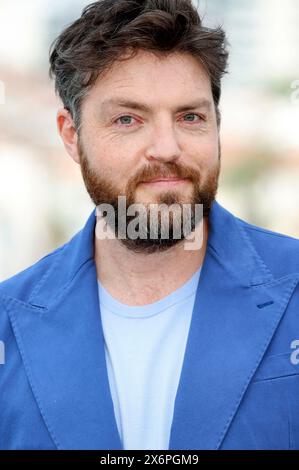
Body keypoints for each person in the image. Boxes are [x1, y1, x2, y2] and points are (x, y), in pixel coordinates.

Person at [0, 0, 298, 451]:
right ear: (71, 136)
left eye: (190, 117)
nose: (166, 147)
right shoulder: (6, 322)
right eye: (128, 119)